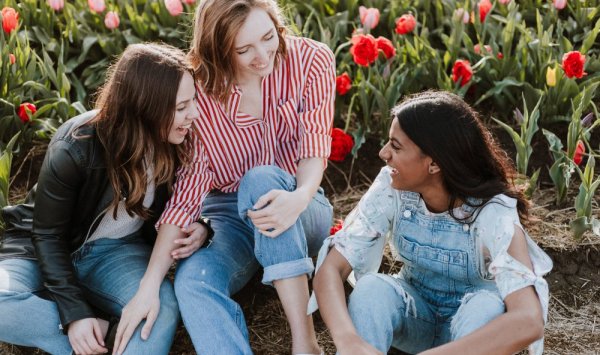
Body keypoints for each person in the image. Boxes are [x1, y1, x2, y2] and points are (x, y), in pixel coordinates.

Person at [114, 0, 335, 354]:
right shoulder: (198, 90)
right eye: (243, 49)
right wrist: (149, 285)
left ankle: (305, 342)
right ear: (218, 49)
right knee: (193, 282)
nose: (262, 56)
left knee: (261, 181)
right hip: (229, 215)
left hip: (300, 203)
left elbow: (314, 147)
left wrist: (299, 197)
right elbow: (188, 192)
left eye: (267, 37)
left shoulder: (311, 60)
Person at [0, 43, 208, 355]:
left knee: (160, 307)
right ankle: (101, 333)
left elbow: (197, 196)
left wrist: (203, 225)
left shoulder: (180, 141)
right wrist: (75, 316)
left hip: (114, 253)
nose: (194, 114)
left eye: (192, 101)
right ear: (144, 108)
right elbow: (48, 235)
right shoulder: (75, 147)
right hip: (40, 248)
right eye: (181, 107)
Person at [312, 91, 553, 355]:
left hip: (472, 337)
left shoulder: (492, 212)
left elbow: (529, 320)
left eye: (396, 146)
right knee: (371, 288)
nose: (383, 153)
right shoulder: (391, 188)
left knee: (486, 305)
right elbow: (330, 270)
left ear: (435, 163)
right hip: (416, 317)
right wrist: (348, 340)